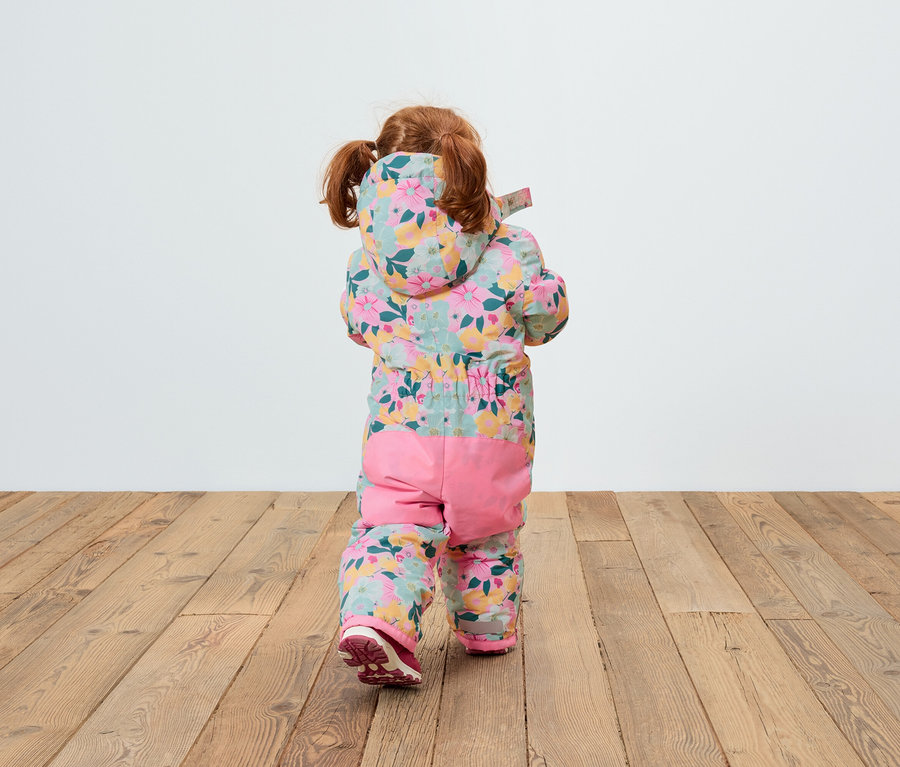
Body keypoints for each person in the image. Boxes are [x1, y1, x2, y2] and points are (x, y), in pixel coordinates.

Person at [320, 105, 568, 685]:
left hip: (401, 440)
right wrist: (549, 291)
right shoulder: (514, 248)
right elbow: (544, 322)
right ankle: (486, 629)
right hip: (490, 440)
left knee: (391, 534)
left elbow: (358, 328)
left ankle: (375, 619)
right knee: (486, 536)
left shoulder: (366, 265)